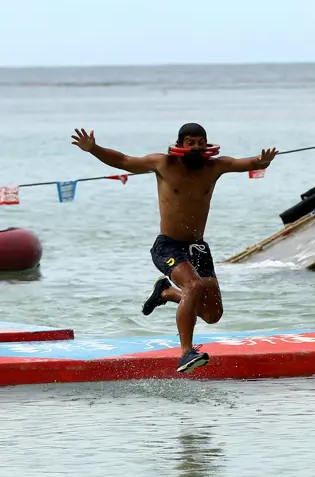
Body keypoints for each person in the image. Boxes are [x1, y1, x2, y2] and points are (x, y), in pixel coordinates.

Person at [71, 123, 278, 372]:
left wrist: (262, 161)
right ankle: (186, 352)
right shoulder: (163, 164)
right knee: (194, 285)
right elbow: (125, 161)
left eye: (201, 141)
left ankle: (167, 293)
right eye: (191, 142)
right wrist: (94, 149)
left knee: (212, 314)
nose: (197, 146)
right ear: (180, 144)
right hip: (168, 246)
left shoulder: (215, 167)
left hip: (198, 248)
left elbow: (248, 164)